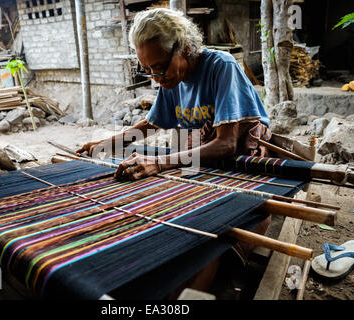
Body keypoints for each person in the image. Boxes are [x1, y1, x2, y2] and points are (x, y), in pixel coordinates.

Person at [76, 8, 272, 290]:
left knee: (228, 219)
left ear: (187, 47)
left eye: (159, 67)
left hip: (242, 151)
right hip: (202, 146)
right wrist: (107, 144)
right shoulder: (171, 77)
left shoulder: (221, 66)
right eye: (148, 70)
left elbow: (227, 144)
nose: (155, 77)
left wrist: (160, 163)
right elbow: (153, 124)